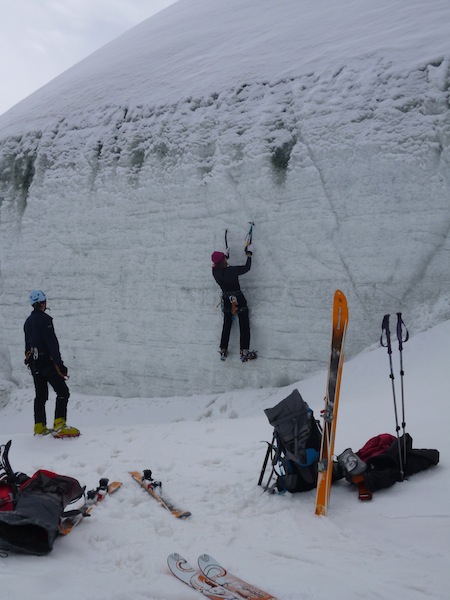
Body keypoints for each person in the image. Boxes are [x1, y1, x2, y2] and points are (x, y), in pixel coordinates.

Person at [24, 290, 79, 437]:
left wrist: (31, 362)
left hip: (34, 363)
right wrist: (60, 364)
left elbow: (27, 345)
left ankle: (39, 427)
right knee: (62, 391)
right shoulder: (45, 320)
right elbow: (52, 344)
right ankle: (59, 425)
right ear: (43, 302)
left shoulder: (28, 322)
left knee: (40, 395)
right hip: (45, 362)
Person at [211, 244, 257, 362]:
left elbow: (220, 266)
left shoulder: (214, 271)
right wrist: (249, 254)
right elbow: (247, 268)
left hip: (227, 300)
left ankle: (223, 350)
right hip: (238, 299)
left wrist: (225, 255)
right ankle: (244, 351)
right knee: (244, 324)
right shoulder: (232, 271)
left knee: (227, 325)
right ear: (223, 261)